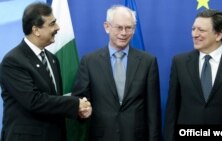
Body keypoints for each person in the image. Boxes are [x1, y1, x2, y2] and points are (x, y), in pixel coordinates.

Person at [0, 2, 91, 141]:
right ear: (36, 30)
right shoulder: (12, 61)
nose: (58, 27)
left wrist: (79, 110)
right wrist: (75, 104)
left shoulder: (52, 59)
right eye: (52, 24)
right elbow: (33, 101)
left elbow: (54, 101)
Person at [72, 5, 161, 141]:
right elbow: (80, 99)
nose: (124, 33)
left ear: (134, 29)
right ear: (107, 27)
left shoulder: (148, 62)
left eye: (128, 28)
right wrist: (83, 110)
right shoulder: (89, 61)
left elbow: (153, 111)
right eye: (119, 27)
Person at [163, 9, 222, 141]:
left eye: (201, 30)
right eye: (193, 29)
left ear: (219, 34)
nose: (194, 34)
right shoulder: (179, 62)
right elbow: (172, 110)